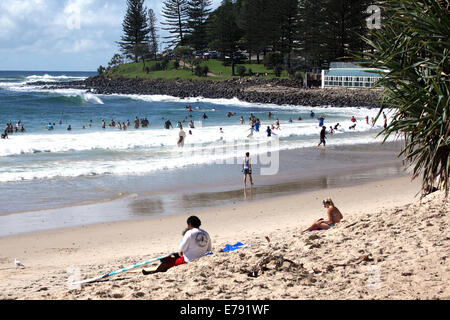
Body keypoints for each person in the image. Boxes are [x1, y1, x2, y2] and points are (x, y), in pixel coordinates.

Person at [142, 216, 212, 275]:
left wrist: (179, 253)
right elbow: (209, 249)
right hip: (201, 258)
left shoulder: (189, 233)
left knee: (167, 260)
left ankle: (156, 272)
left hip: (189, 260)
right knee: (172, 258)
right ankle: (157, 270)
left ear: (190, 224)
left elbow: (181, 250)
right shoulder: (206, 233)